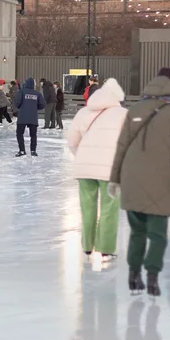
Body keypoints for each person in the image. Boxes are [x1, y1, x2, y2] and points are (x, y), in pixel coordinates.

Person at [109, 68, 170, 297]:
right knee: (158, 235)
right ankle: (152, 278)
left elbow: (121, 146)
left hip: (131, 179)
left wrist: (114, 179)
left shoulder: (134, 110)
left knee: (137, 232)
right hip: (160, 183)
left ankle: (133, 276)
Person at [66, 78, 127, 262]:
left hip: (84, 168)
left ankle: (87, 246)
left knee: (87, 207)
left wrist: (82, 157)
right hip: (111, 169)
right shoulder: (123, 114)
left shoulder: (83, 112)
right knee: (109, 208)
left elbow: (72, 140)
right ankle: (106, 249)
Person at [13, 78, 45, 157]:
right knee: (33, 135)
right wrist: (35, 108)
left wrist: (21, 107)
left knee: (19, 133)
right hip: (33, 117)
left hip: (22, 117)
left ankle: (22, 150)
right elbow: (42, 104)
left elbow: (17, 103)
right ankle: (33, 151)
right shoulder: (37, 94)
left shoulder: (22, 92)